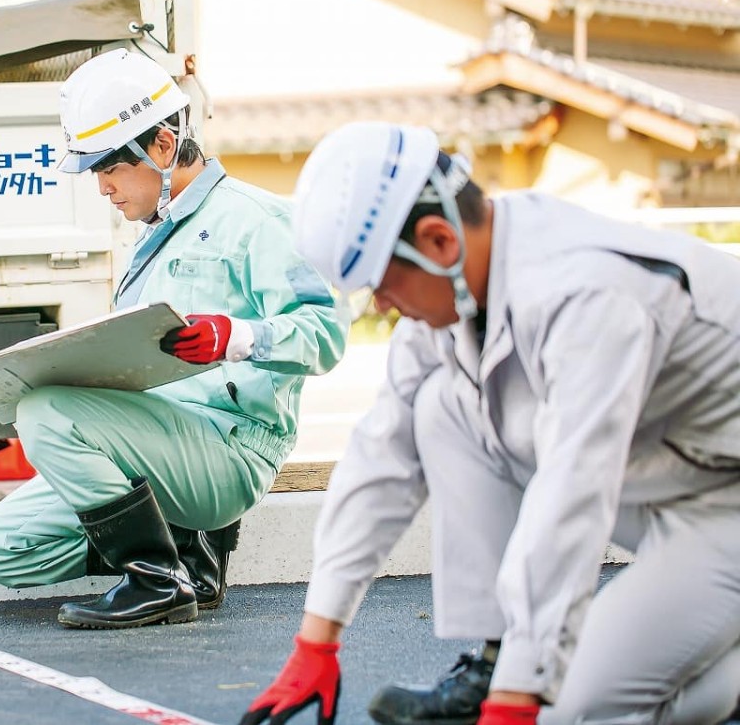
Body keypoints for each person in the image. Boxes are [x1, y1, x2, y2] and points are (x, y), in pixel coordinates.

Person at [242, 121, 740, 724]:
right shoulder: (463, 287)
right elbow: (382, 453)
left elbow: (572, 494)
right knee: (443, 408)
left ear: (438, 242)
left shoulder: (585, 295)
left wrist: (521, 696)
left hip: (723, 504)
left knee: (566, 712)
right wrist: (316, 641)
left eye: (381, 283)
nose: (380, 305)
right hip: (669, 474)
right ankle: (494, 663)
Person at [0, 48, 348, 630]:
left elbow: (326, 333)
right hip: (158, 448)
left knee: (43, 411)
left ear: (164, 146)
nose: (103, 188)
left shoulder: (255, 219)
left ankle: (156, 581)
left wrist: (236, 336)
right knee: (1, 546)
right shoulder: (154, 238)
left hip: (229, 450)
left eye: (111, 168)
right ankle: (184, 558)